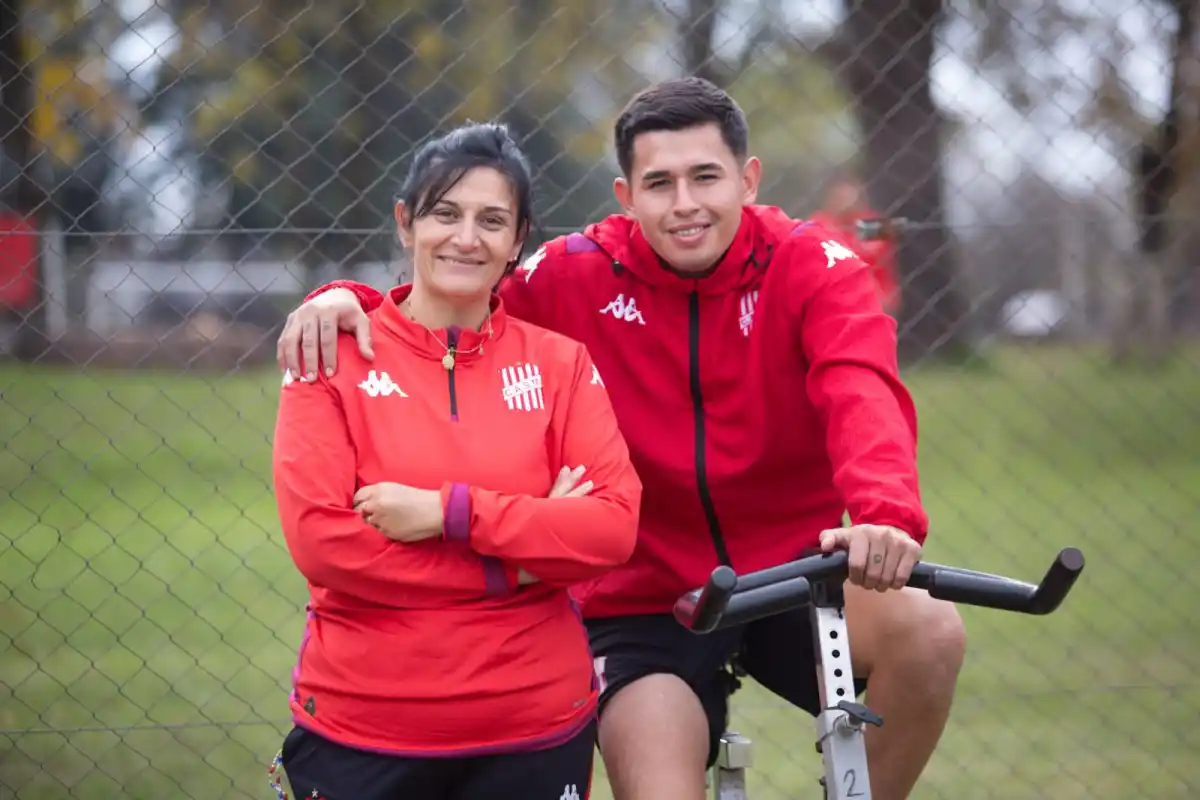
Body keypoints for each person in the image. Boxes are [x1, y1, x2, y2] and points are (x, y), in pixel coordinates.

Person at [277, 78, 967, 800]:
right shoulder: (572, 273)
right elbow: (450, 291)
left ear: (748, 177)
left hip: (789, 572)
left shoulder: (815, 266)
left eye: (706, 177)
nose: (685, 204)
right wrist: (344, 298)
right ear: (625, 194)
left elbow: (862, 389)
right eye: (659, 183)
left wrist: (885, 513)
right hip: (640, 596)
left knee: (930, 632)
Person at [270, 122, 642, 800]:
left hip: (535, 724)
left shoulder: (560, 365)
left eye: (491, 220)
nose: (467, 237)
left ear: (517, 241)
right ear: (406, 223)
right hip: (364, 728)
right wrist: (523, 559)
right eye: (446, 213)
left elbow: (612, 529)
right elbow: (324, 545)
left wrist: (450, 513)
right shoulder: (328, 356)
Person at [810, 169, 903, 315]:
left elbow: (886, 263)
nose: (845, 199)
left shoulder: (876, 223)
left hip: (877, 299)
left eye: (849, 193)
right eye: (839, 195)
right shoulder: (816, 224)